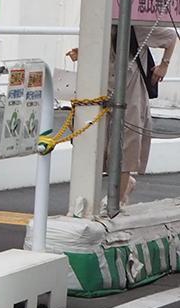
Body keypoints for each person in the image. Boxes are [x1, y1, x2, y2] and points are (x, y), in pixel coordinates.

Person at [68, 20, 178, 206]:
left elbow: (170, 36)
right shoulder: (102, 18)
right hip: (103, 88)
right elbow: (101, 45)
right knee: (98, 139)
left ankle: (118, 199)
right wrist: (82, 52)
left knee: (127, 141)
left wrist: (164, 66)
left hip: (130, 89)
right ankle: (123, 187)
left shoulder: (134, 24)